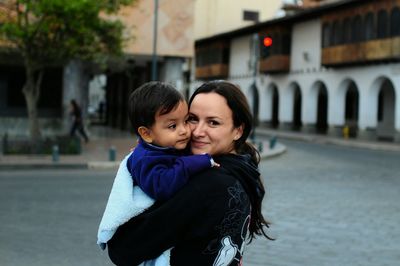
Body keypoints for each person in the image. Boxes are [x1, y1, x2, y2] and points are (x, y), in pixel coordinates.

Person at [107, 80, 272, 266]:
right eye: (192, 119)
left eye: (213, 122)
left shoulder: (210, 183)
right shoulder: (243, 169)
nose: (197, 131)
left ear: (238, 130)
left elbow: (123, 250)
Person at [97, 82, 218, 255]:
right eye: (172, 126)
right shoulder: (146, 159)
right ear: (146, 134)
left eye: (186, 120)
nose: (184, 131)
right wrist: (196, 162)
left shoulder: (162, 145)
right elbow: (162, 186)